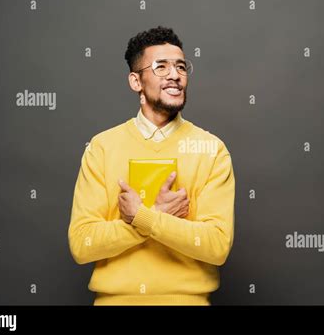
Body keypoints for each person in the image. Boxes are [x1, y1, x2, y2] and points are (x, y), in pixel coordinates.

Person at [68, 26, 235, 305]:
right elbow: (82, 244)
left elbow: (217, 246)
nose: (175, 75)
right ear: (136, 81)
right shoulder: (102, 147)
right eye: (161, 67)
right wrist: (156, 214)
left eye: (181, 67)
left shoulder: (211, 149)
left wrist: (145, 217)